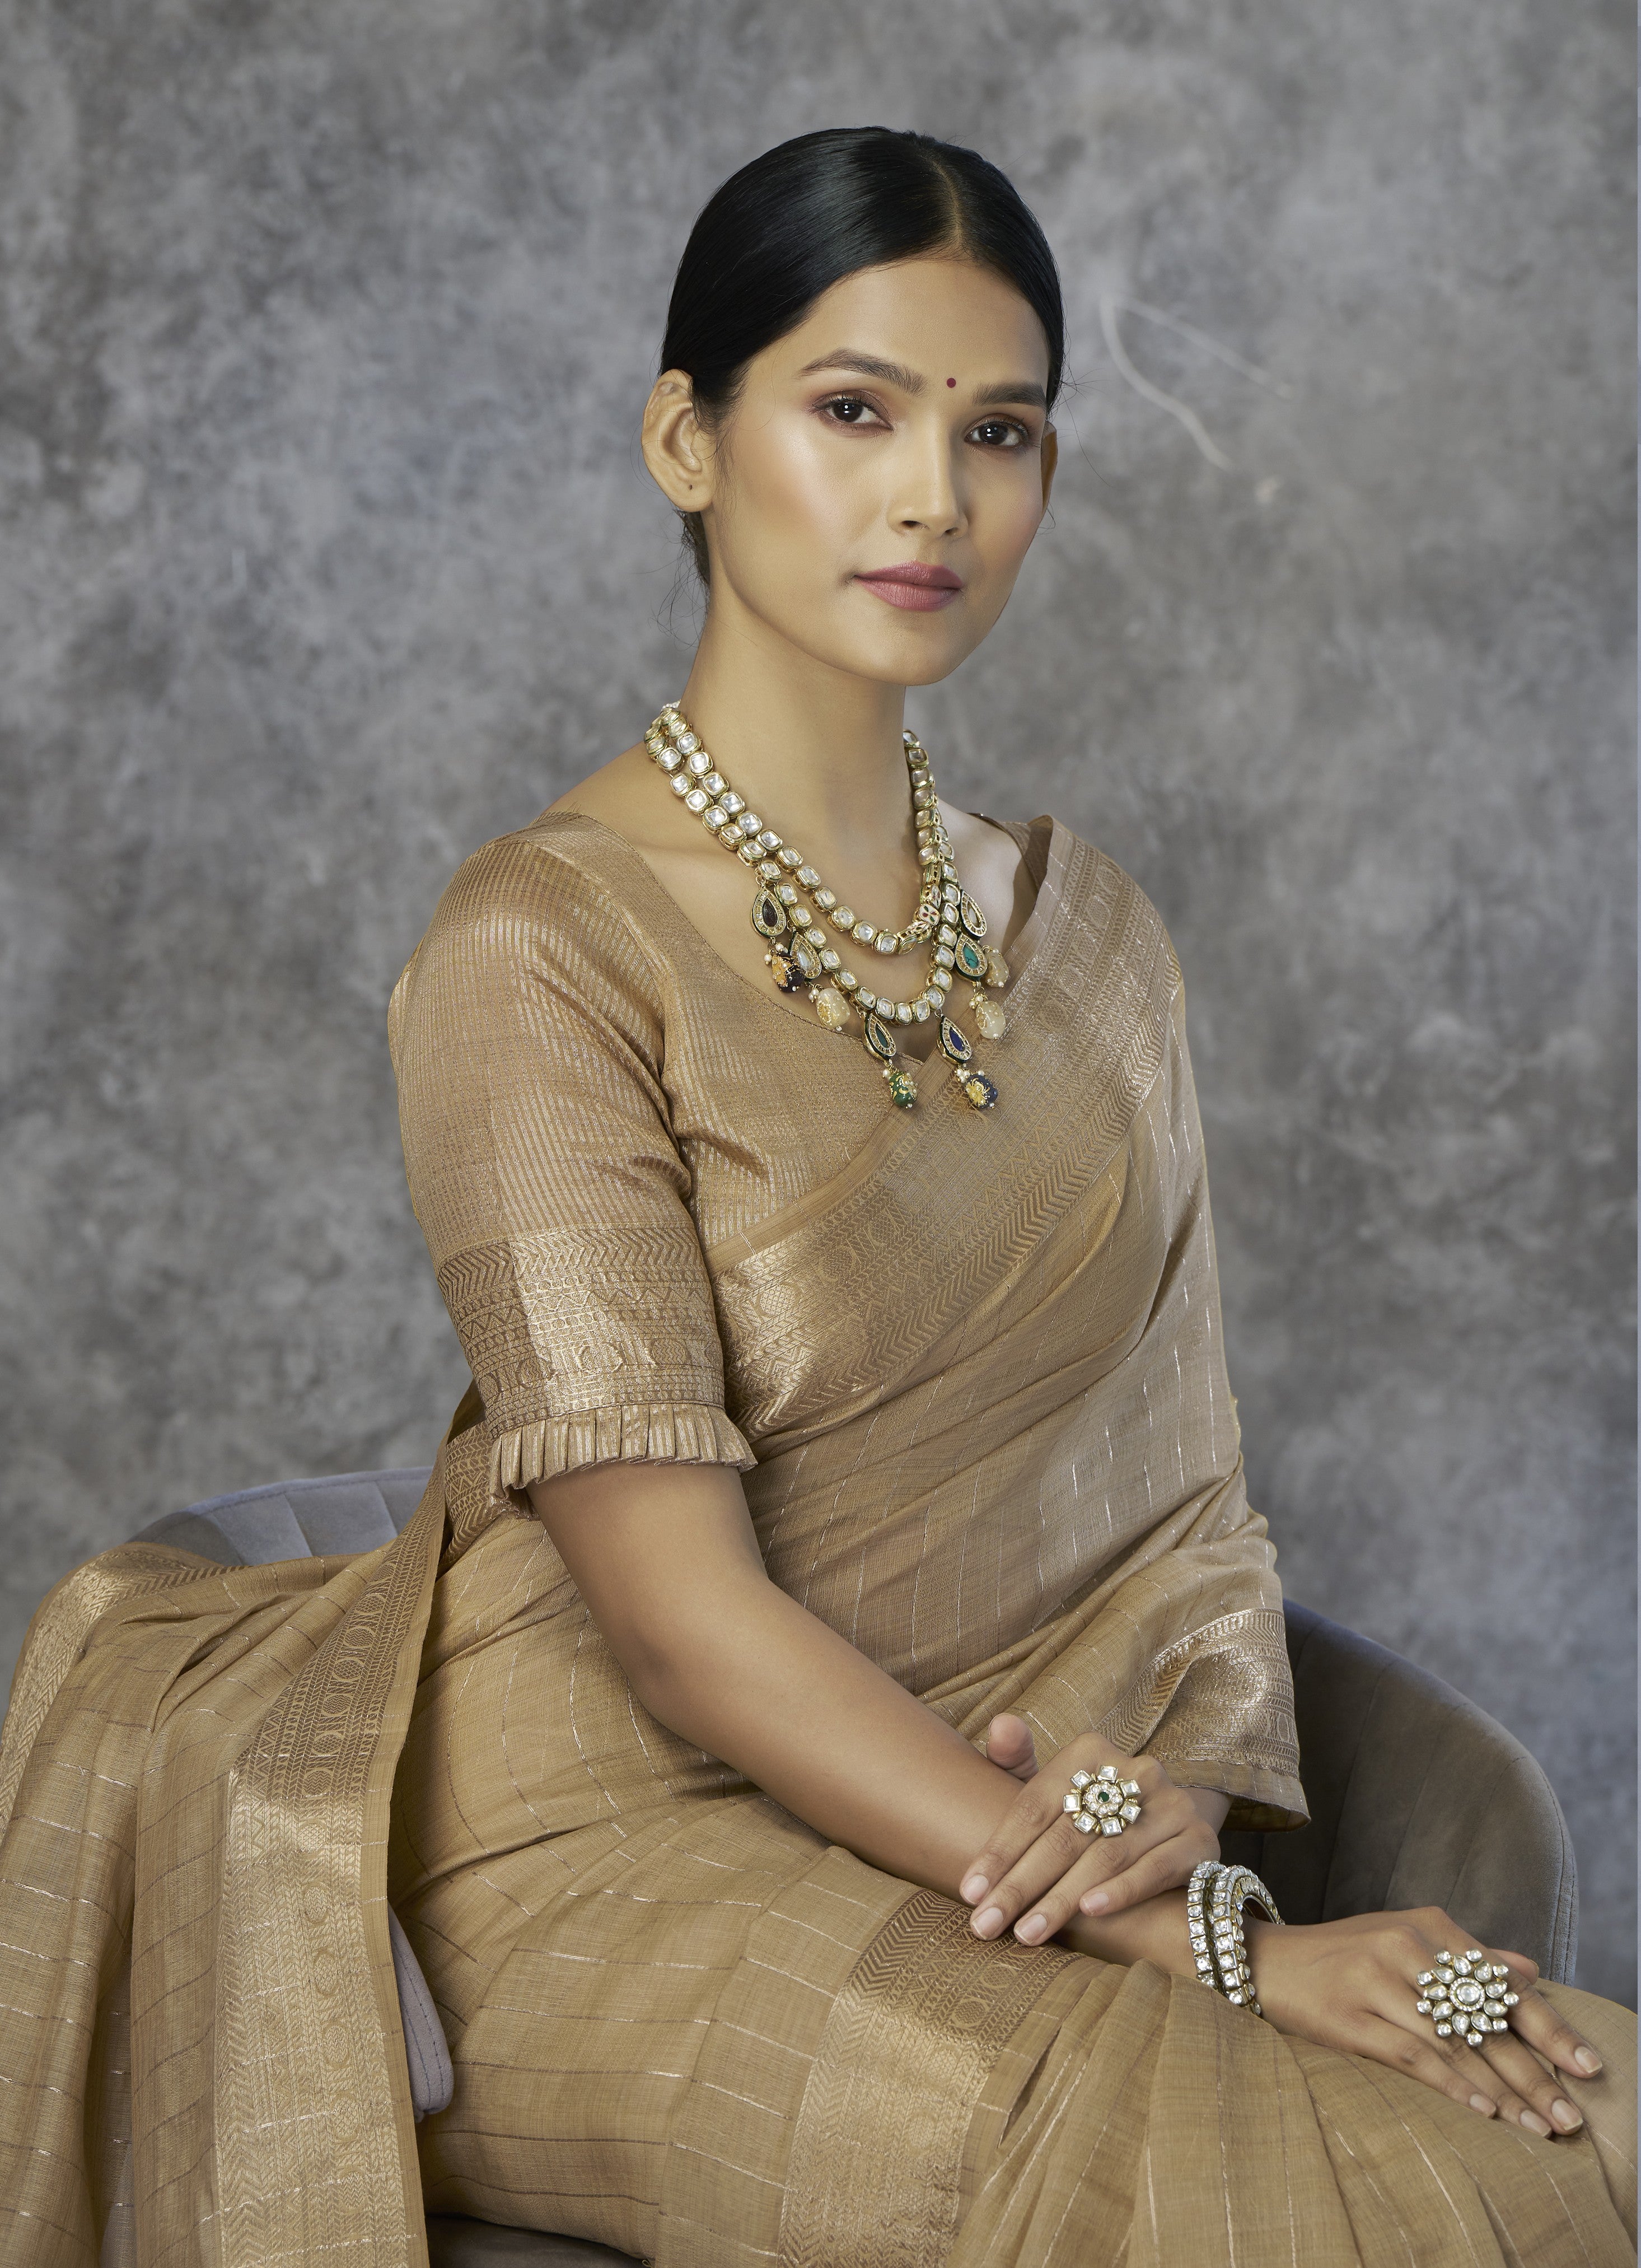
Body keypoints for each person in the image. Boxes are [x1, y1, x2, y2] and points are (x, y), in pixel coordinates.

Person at [0, 127, 1630, 2268]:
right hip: (600, 1846)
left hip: (1018, 1811)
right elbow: (679, 1630)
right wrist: (1209, 1940)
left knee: (1595, 2118)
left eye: (997, 432)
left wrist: (1160, 1803)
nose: (932, 496)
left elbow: (1182, 1514)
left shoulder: (1093, 946)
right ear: (686, 438)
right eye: (853, 410)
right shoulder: (541, 950)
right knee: (1326, 2184)